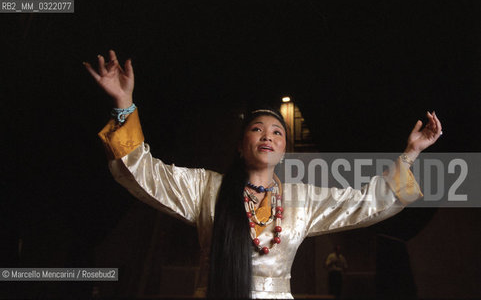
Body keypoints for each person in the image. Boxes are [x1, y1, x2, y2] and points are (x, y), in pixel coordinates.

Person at [84, 50, 442, 299]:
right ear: (240, 145)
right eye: (257, 129)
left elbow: (364, 202)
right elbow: (143, 173)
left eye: (277, 132)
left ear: (284, 149)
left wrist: (410, 154)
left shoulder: (303, 198)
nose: (268, 135)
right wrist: (123, 104)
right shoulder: (207, 189)